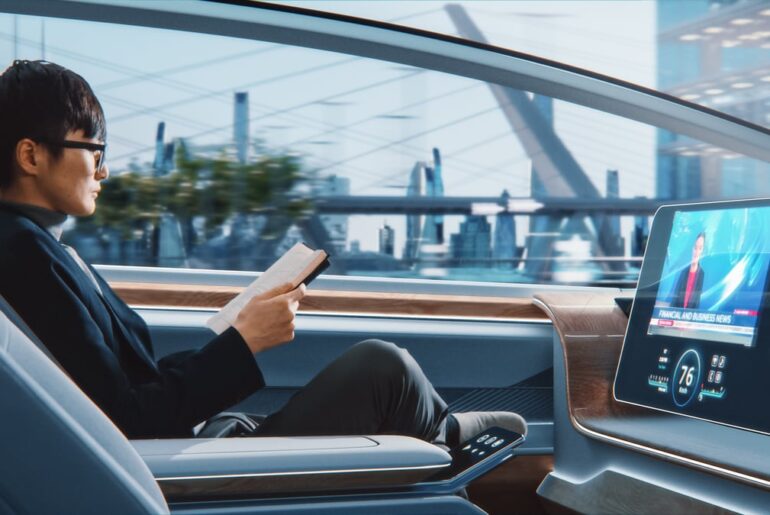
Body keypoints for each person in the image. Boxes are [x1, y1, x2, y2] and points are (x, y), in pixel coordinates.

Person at [0, 60, 525, 446]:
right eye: (93, 150)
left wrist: (236, 335)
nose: (104, 170)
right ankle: (444, 434)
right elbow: (128, 419)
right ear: (31, 155)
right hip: (171, 466)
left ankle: (438, 430)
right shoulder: (27, 258)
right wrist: (243, 343)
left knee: (384, 371)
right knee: (385, 367)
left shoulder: (45, 250)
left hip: (181, 444)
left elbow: (126, 386)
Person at [670, 232, 706, 310]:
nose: (696, 252)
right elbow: (674, 298)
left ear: (703, 251)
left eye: (700, 248)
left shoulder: (702, 275)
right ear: (691, 248)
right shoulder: (683, 271)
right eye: (695, 247)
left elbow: (698, 304)